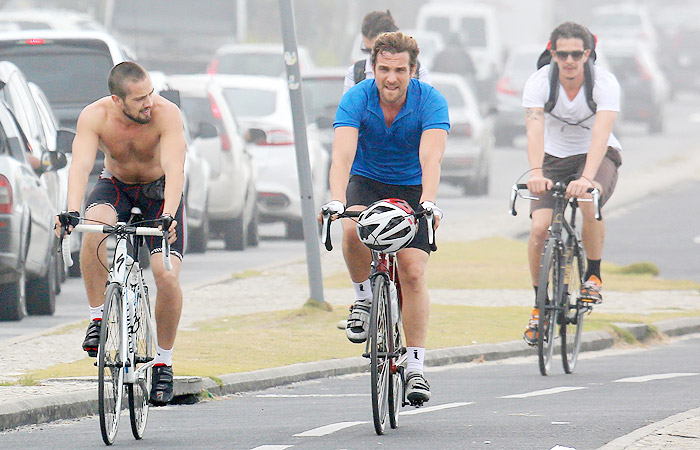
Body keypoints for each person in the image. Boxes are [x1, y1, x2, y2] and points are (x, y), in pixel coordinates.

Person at [322, 31, 449, 404]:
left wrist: (428, 202)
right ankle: (363, 296)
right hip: (366, 180)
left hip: (412, 186)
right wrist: (335, 199)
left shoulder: (431, 101)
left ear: (413, 71)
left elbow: (432, 158)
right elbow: (342, 156)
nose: (391, 78)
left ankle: (415, 367)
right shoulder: (356, 98)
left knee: (412, 271)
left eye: (399, 70)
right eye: (383, 69)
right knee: (350, 230)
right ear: (373, 68)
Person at [55, 61, 187, 406]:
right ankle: (98, 318)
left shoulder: (166, 114)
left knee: (166, 277)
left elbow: (175, 167)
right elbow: (82, 165)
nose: (149, 103)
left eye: (151, 94)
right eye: (140, 98)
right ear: (117, 100)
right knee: (93, 230)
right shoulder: (95, 116)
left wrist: (169, 214)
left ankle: (164, 363)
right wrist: (70, 209)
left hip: (160, 193)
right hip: (116, 186)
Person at [521, 22, 622, 345]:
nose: (569, 61)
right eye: (562, 54)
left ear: (588, 54)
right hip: (553, 158)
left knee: (587, 200)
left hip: (596, 155)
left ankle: (593, 273)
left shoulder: (604, 84)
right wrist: (536, 172)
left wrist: (587, 179)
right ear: (552, 53)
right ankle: (539, 306)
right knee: (539, 228)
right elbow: (534, 130)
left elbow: (601, 135)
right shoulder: (539, 82)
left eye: (576, 55)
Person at [343, 10, 431, 93]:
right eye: (368, 50)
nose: (372, 57)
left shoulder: (419, 73)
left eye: (378, 51)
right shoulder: (355, 73)